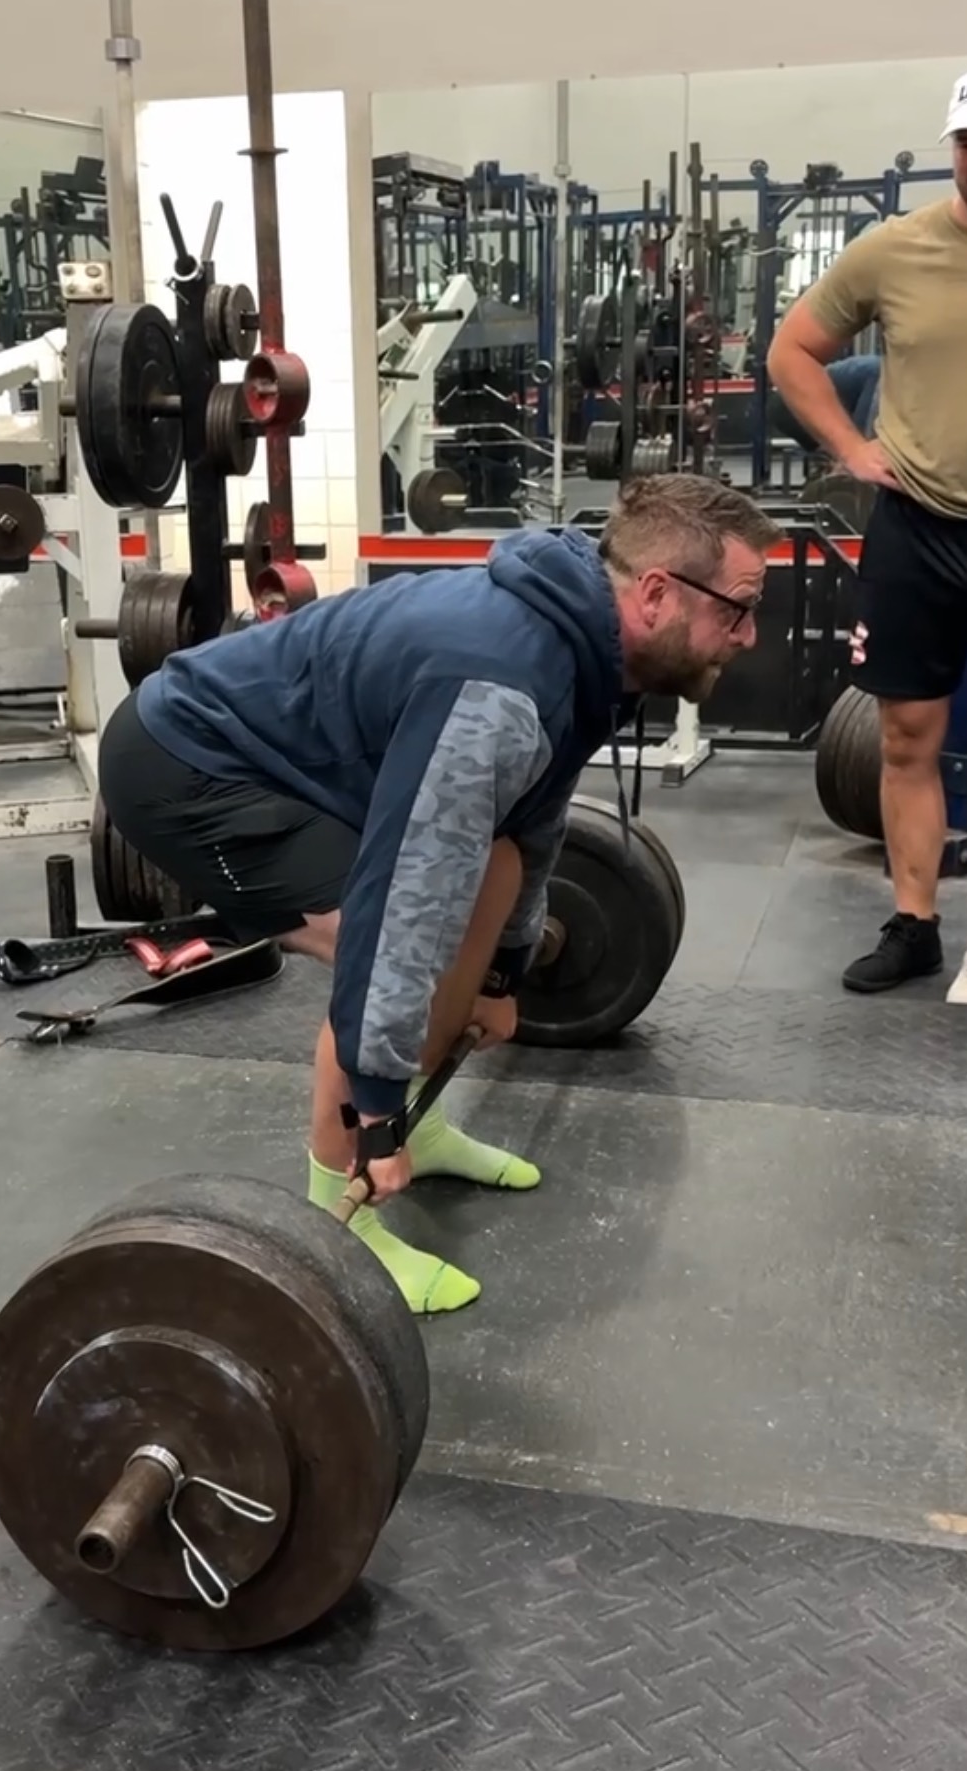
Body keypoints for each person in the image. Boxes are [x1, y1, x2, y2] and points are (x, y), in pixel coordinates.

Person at [98, 473, 777, 1317]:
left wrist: (504, 975)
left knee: (481, 874)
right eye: (738, 609)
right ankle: (338, 1219)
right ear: (655, 594)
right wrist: (378, 1110)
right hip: (182, 766)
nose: (748, 635)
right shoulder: (499, 687)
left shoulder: (583, 642)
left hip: (284, 757)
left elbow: (530, 825)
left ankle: (422, 1120)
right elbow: (401, 906)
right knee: (371, 944)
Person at [767, 56, 967, 993]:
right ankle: (915, 923)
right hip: (915, 528)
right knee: (905, 738)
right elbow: (793, 350)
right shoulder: (894, 249)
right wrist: (853, 449)